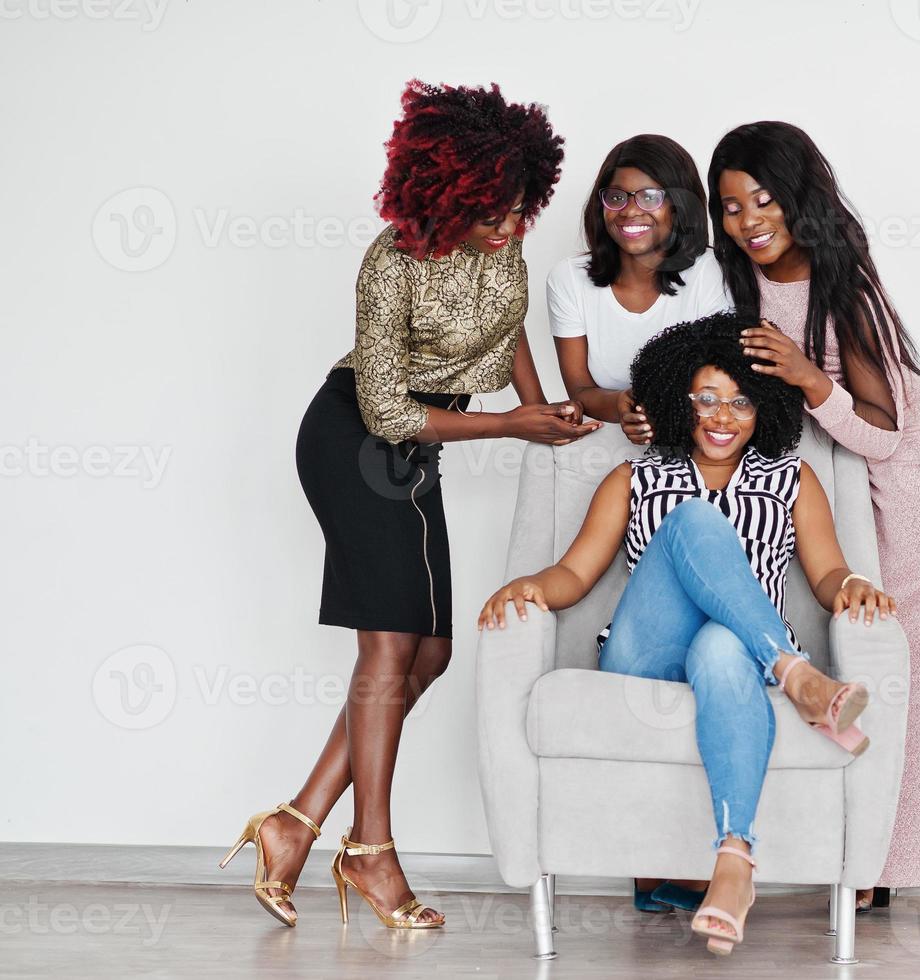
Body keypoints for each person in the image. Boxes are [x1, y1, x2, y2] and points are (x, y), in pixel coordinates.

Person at [219, 79, 598, 932]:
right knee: (389, 648)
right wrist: (511, 426)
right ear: (443, 192)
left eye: (517, 209)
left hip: (417, 453)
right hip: (352, 441)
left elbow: (507, 334)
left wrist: (545, 413)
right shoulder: (389, 264)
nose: (507, 227)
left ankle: (293, 823)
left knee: (428, 656)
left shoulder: (503, 250)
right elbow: (386, 409)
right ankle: (371, 851)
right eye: (489, 210)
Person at [479, 312, 897, 955]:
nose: (722, 417)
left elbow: (826, 572)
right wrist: (532, 585)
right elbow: (574, 573)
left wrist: (850, 588)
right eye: (705, 399)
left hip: (737, 659)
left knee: (723, 643)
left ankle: (734, 858)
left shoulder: (791, 479)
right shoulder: (635, 476)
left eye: (740, 402)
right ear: (681, 401)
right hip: (646, 655)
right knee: (694, 522)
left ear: (764, 411)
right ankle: (798, 674)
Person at [708, 121, 920, 922]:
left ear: (797, 197)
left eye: (764, 198)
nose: (749, 219)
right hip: (872, 482)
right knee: (891, 670)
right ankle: (886, 859)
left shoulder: (836, 281)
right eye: (729, 206)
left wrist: (805, 380)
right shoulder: (751, 287)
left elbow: (884, 428)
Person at [548, 134, 731, 451]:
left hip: (700, 441)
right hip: (612, 442)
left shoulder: (711, 272)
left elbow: (721, 383)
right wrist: (620, 403)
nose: (630, 211)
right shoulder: (568, 279)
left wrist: (659, 409)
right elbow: (580, 389)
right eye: (617, 197)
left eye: (649, 198)